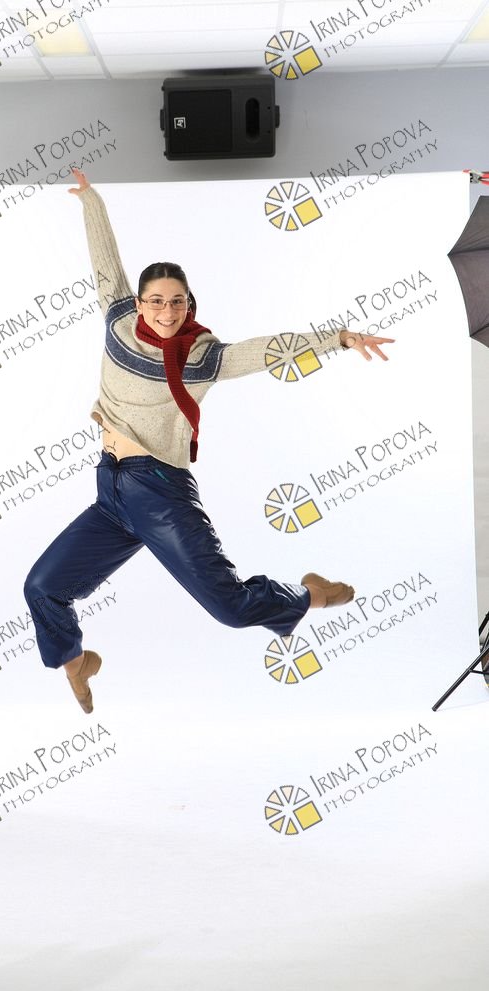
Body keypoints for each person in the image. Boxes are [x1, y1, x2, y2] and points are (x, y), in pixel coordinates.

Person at [24, 169, 395, 713]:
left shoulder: (204, 357)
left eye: (177, 302)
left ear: (188, 304)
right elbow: (106, 263)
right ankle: (77, 662)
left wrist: (337, 338)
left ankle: (310, 593)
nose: (166, 311)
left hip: (160, 493)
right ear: (140, 303)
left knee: (233, 609)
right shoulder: (118, 321)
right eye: (156, 300)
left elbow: (266, 349)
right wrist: (91, 201)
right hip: (111, 492)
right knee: (42, 587)